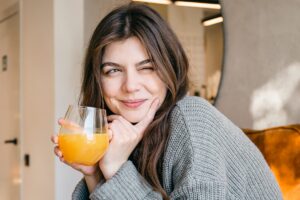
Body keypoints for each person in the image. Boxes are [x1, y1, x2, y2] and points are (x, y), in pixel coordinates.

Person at [51, 3, 282, 200]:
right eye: (113, 70)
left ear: (169, 68)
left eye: (147, 68)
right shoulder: (126, 137)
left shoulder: (192, 119)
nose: (130, 85)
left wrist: (117, 169)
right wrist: (96, 175)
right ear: (97, 79)